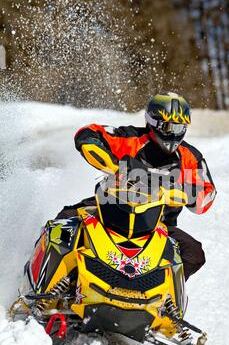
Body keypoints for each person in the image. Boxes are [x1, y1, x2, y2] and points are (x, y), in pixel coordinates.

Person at [56, 92, 217, 280]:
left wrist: (182, 192)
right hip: (108, 212)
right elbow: (88, 133)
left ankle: (166, 303)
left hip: (158, 226)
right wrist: (115, 164)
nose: (174, 132)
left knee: (194, 254)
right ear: (153, 122)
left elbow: (207, 192)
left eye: (180, 126)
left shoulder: (189, 157)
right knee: (63, 223)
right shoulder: (130, 139)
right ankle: (43, 289)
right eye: (168, 126)